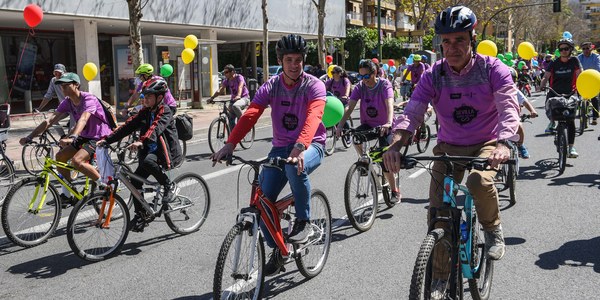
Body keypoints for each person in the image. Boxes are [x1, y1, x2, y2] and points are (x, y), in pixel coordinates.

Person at [382, 6, 519, 299]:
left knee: (478, 183)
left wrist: (504, 142)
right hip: (448, 147)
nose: (452, 48)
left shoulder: (492, 68)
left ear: (472, 39)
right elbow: (415, 109)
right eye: (446, 42)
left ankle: (493, 228)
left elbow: (508, 106)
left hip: (486, 143)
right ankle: (440, 279)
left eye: (459, 40)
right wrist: (396, 144)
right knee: (439, 214)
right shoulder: (434, 73)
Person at [211, 34, 326, 277]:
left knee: (295, 166)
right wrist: (230, 143)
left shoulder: (314, 85)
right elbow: (252, 112)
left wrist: (300, 147)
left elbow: (314, 116)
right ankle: (280, 250)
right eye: (289, 60)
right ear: (280, 61)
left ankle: (303, 222)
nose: (294, 65)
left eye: (298, 60)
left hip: (311, 144)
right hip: (280, 148)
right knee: (262, 203)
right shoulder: (271, 86)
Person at [99, 79, 182, 232]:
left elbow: (156, 127)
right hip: (149, 151)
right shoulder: (145, 111)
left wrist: (141, 142)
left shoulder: (165, 110)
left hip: (164, 153)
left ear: (159, 97)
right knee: (134, 181)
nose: (145, 99)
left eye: (149, 96)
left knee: (148, 163)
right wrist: (106, 140)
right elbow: (128, 126)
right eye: (144, 96)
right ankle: (141, 215)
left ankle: (168, 185)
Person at [19, 72, 114, 205]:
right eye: (61, 86)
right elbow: (50, 120)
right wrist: (30, 136)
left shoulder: (88, 99)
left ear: (76, 85)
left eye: (66, 85)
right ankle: (68, 193)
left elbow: (83, 119)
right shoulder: (67, 102)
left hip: (99, 137)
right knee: (60, 157)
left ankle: (108, 189)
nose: (63, 89)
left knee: (76, 161)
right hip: (84, 136)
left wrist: (73, 136)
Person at [335, 59, 400, 202]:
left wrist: (389, 122)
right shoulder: (360, 87)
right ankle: (363, 161)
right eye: (361, 76)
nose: (364, 80)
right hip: (368, 124)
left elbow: (390, 104)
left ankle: (395, 190)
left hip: (384, 126)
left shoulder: (384, 85)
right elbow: (350, 107)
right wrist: (340, 125)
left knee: (385, 160)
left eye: (366, 76)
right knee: (355, 136)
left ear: (375, 73)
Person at [540, 38, 582, 157]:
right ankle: (552, 122)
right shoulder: (554, 62)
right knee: (550, 106)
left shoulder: (574, 61)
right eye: (561, 49)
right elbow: (546, 76)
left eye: (566, 49)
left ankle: (571, 148)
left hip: (570, 93)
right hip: (555, 92)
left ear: (570, 50)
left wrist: (582, 87)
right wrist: (542, 85)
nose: (563, 51)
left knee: (571, 121)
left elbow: (580, 74)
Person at [208, 64, 250, 130]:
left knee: (235, 106)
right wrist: (212, 98)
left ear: (232, 72)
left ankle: (244, 122)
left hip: (244, 98)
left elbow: (240, 86)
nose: (225, 74)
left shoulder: (239, 77)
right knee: (231, 119)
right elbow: (220, 90)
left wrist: (238, 95)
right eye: (224, 72)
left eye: (226, 72)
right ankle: (234, 137)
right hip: (233, 100)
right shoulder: (227, 80)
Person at [509, 67, 538, 158]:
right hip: (498, 118)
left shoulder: (515, 91)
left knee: (520, 126)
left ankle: (520, 146)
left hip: (513, 117)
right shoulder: (494, 90)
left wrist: (532, 111)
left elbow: (525, 101)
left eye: (511, 79)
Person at [577, 41, 600, 130]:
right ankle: (582, 114)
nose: (586, 50)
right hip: (582, 80)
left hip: (594, 79)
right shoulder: (579, 58)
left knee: (595, 98)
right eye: (584, 49)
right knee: (579, 98)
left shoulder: (596, 57)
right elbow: (576, 68)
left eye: (588, 48)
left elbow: (598, 68)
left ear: (591, 48)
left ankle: (594, 117)